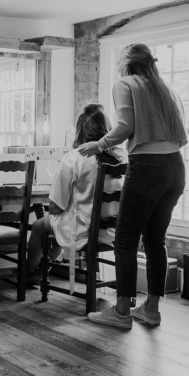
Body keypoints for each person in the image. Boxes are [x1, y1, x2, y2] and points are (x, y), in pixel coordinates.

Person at [79, 43, 187, 329]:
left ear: (126, 64)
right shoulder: (165, 89)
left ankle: (123, 310)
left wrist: (98, 144)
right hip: (175, 168)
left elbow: (125, 126)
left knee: (125, 240)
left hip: (147, 168)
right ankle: (151, 309)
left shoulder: (126, 84)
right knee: (155, 241)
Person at [25, 104, 127, 286]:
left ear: (80, 131)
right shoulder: (122, 158)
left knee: (41, 225)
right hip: (112, 232)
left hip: (83, 232)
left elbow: (56, 206)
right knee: (57, 221)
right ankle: (42, 270)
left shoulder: (74, 158)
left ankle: (30, 272)